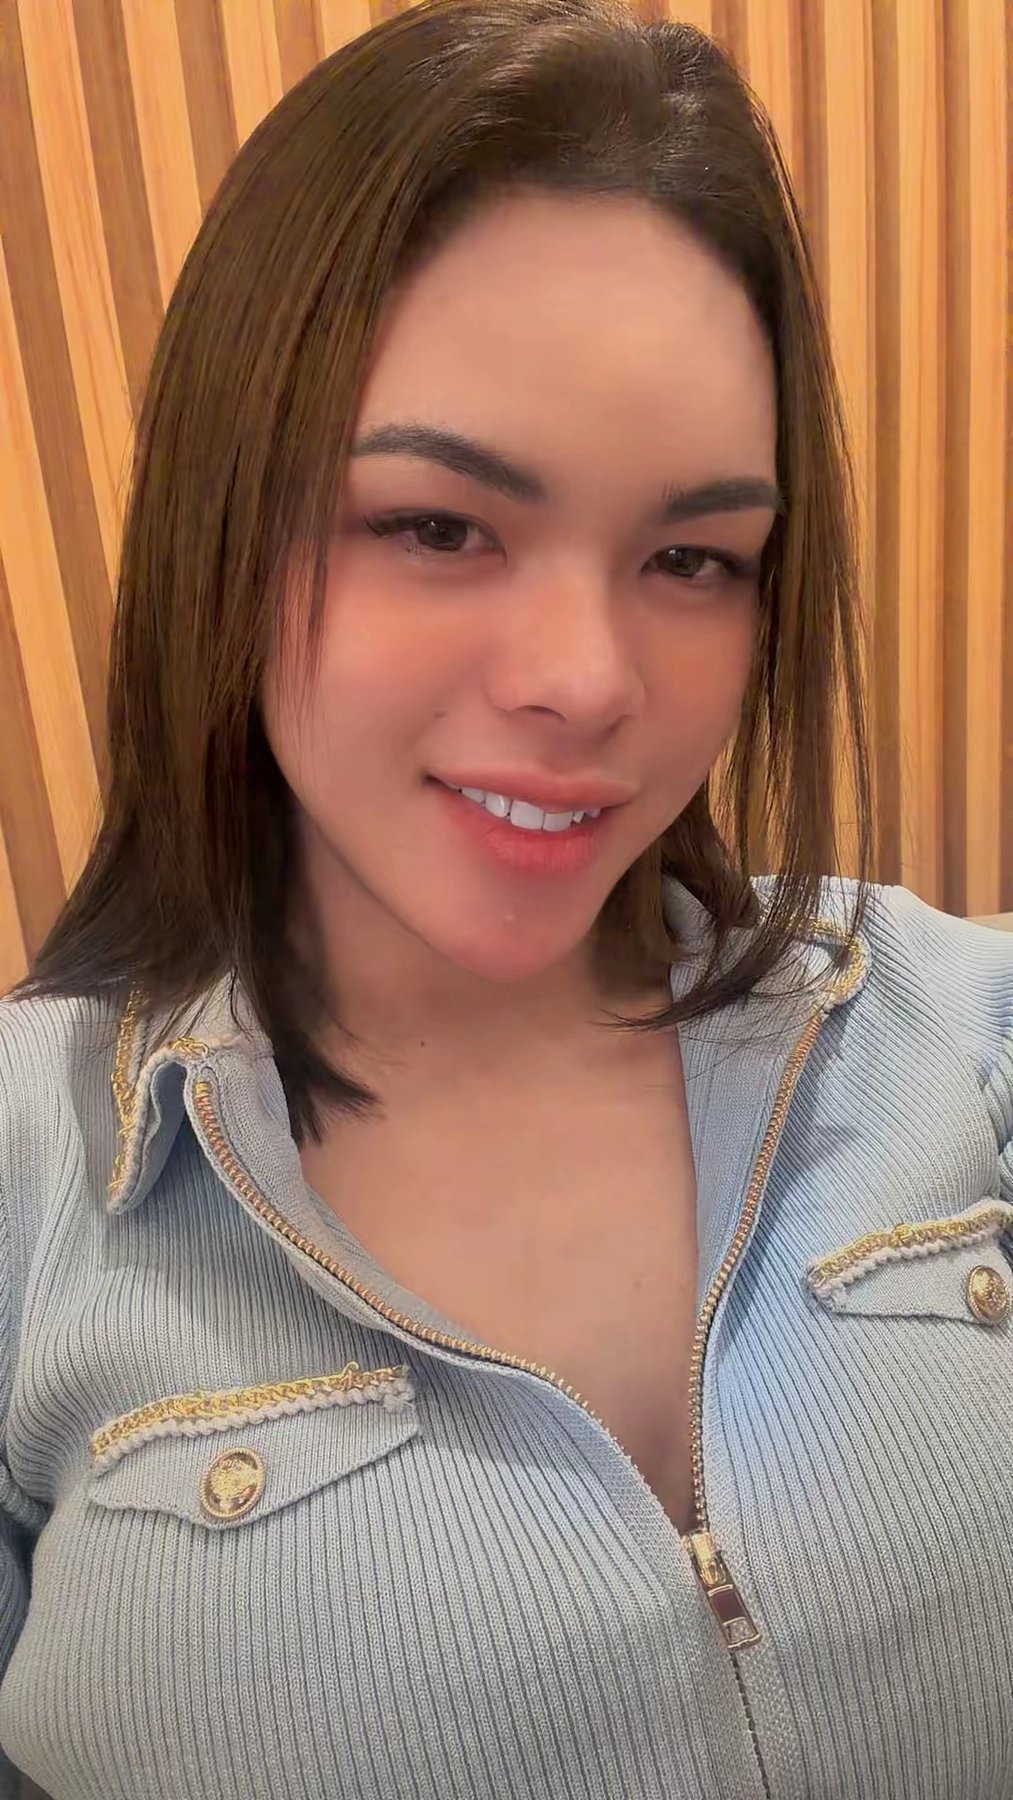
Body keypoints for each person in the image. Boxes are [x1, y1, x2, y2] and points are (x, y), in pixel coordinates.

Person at [1, 0, 1010, 1794]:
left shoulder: (949, 1027)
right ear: (226, 526)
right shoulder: (36, 1179)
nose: (588, 680)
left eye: (692, 557)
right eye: (437, 526)